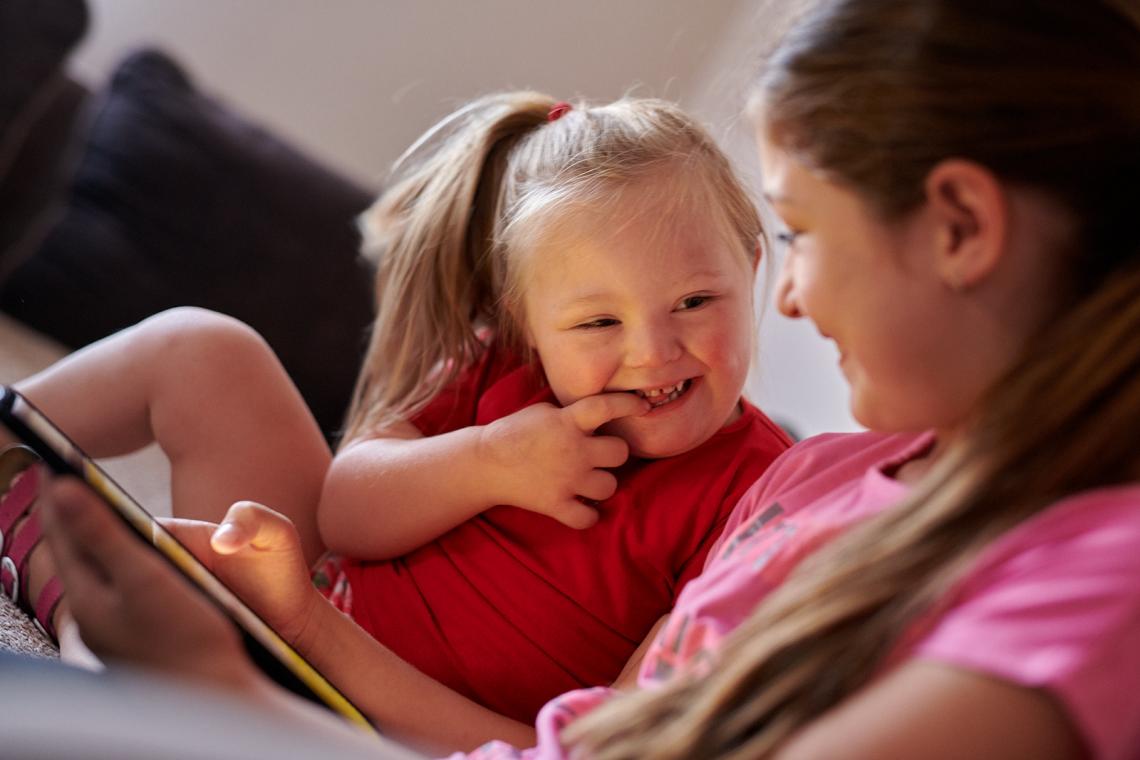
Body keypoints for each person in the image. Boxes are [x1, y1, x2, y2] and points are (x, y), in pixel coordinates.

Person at [27, 0, 1140, 756]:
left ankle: (53, 563)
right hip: (315, 632)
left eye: (796, 232)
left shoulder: (1070, 579)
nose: (792, 299)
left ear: (958, 224)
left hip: (343, 689)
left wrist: (239, 680)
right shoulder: (837, 480)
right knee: (196, 357)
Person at [0, 92, 791, 722]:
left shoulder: (764, 498)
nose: (654, 350)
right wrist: (492, 461)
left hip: (370, 728)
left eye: (694, 300)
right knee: (202, 350)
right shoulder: (502, 365)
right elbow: (344, 509)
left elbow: (594, 747)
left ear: (750, 266)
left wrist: (313, 629)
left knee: (133, 663)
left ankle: (68, 594)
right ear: (525, 320)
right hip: (296, 596)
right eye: (598, 322)